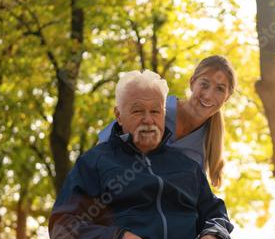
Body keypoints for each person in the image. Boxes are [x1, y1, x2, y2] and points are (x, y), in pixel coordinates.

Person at [49, 70, 267, 239]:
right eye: (137, 111)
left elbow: (214, 212)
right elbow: (62, 227)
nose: (148, 119)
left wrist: (213, 234)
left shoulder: (185, 166)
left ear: (165, 113)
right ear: (118, 115)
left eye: (156, 111)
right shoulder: (94, 163)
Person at [98, 55, 235, 187]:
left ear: (227, 97)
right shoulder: (155, 108)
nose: (209, 95)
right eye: (204, 84)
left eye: (220, 89)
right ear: (192, 83)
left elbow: (192, 195)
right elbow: (102, 148)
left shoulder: (206, 145)